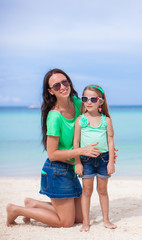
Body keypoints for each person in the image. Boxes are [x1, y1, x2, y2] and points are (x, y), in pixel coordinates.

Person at [6, 68, 103, 227]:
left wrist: (106, 149)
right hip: (56, 170)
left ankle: (33, 203)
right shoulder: (54, 116)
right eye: (56, 86)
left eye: (65, 82)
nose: (63, 87)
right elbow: (52, 154)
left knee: (78, 218)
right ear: (51, 91)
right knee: (65, 222)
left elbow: (93, 126)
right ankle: (16, 210)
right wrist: (81, 151)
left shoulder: (79, 104)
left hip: (71, 168)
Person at [73, 85, 117, 231]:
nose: (89, 102)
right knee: (86, 191)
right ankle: (86, 222)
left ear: (101, 102)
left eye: (93, 99)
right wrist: (77, 163)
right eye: (85, 99)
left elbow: (111, 142)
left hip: (104, 159)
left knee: (103, 190)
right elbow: (76, 143)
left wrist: (111, 162)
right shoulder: (80, 120)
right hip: (86, 160)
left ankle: (106, 219)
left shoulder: (106, 120)